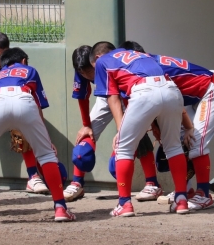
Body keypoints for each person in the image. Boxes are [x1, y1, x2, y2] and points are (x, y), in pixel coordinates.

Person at [0, 47, 76, 225]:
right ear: (23, 61)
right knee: (46, 155)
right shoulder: (29, 70)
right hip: (23, 99)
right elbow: (38, 105)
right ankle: (60, 208)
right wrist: (45, 140)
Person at [119, 41, 214, 211]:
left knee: (196, 140)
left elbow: (174, 99)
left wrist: (189, 127)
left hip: (210, 90)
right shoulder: (146, 67)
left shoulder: (149, 70)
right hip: (189, 97)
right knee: (179, 141)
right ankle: (185, 189)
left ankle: (204, 194)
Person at [90, 41, 189, 216]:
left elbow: (113, 98)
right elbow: (158, 89)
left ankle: (124, 204)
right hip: (171, 89)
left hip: (143, 91)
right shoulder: (140, 54)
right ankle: (181, 200)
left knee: (123, 148)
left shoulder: (102, 61)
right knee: (173, 146)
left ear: (97, 57)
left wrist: (120, 130)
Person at [64, 45, 164, 202]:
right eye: (83, 72)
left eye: (89, 71)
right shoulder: (82, 69)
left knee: (135, 136)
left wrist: (127, 128)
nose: (87, 75)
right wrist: (86, 124)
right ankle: (77, 183)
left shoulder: (110, 63)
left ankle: (152, 183)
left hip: (125, 96)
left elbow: (126, 95)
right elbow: (82, 97)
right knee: (83, 143)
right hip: (105, 97)